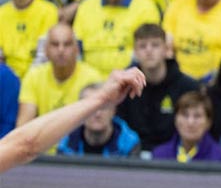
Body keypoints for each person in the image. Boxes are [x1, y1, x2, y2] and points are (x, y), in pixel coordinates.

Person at [0, 67, 145, 172]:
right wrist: (101, 98)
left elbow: (25, 146)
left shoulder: (128, 140)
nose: (98, 115)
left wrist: (101, 99)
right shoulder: (67, 143)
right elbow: (25, 145)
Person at [71, 0, 161, 76]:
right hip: (90, 83)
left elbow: (148, 52)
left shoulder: (146, 7)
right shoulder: (86, 7)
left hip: (130, 81)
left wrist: (120, 80)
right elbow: (76, 50)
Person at [117, 23, 200, 152]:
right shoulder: (124, 86)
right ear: (135, 52)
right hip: (133, 155)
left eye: (155, 45)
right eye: (142, 46)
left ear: (166, 50)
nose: (149, 51)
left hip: (174, 156)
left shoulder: (189, 87)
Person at [15, 23, 102, 129]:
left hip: (75, 144)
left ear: (77, 50)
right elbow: (23, 126)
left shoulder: (92, 78)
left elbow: (94, 126)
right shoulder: (34, 76)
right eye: (55, 44)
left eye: (67, 44)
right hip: (43, 143)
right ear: (46, 50)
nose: (61, 50)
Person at [0, 0, 57, 78]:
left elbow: (43, 56)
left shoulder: (48, 11)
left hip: (38, 76)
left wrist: (28, 82)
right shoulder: (2, 13)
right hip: (7, 78)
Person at [56, 82, 142, 157]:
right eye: (91, 108)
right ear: (80, 112)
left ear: (114, 111)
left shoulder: (129, 143)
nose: (98, 114)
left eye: (103, 107)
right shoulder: (66, 142)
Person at [151, 90, 221, 162]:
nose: (190, 122)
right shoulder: (159, 155)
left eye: (197, 116)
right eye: (185, 115)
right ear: (175, 120)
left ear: (208, 122)